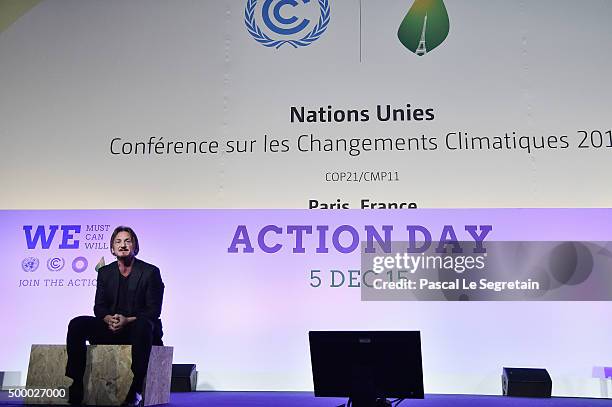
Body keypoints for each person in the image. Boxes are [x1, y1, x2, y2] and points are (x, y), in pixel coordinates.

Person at [65, 226, 164, 406]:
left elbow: (153, 310)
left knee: (143, 324)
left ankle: (136, 387)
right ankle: (76, 382)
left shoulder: (150, 272)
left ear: (135, 246)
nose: (123, 245)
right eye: (118, 241)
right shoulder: (105, 272)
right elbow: (99, 307)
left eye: (127, 241)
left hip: (138, 328)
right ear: (112, 248)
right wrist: (107, 319)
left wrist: (127, 320)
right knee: (77, 324)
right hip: (111, 327)